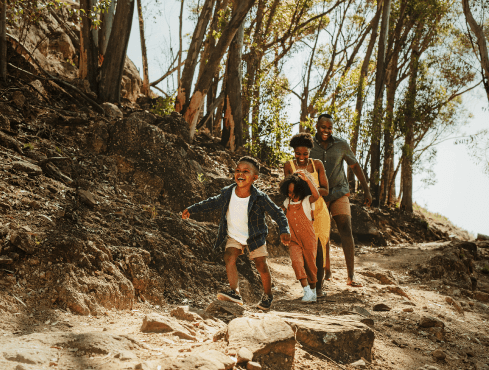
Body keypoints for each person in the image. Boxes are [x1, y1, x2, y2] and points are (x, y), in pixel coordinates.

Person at [182, 156, 291, 310]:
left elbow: (278, 213)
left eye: (246, 171)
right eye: (237, 170)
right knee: (229, 256)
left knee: (261, 265)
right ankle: (235, 292)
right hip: (235, 235)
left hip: (255, 236)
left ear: (254, 178)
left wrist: (284, 229)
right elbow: (211, 203)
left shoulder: (260, 198)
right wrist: (192, 209)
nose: (240, 173)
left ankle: (267, 295)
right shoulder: (228, 193)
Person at [309, 113, 372, 288]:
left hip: (339, 191)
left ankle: (351, 276)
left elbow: (355, 166)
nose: (326, 130)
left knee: (345, 227)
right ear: (317, 126)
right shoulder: (309, 145)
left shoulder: (341, 144)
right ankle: (326, 270)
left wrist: (366, 190)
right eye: (323, 127)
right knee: (323, 233)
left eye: (329, 128)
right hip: (319, 193)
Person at [283, 133, 330, 297]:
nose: (301, 157)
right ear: (293, 152)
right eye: (298, 153)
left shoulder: (317, 165)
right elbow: (287, 189)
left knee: (319, 248)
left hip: (319, 210)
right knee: (305, 251)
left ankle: (318, 288)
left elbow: (325, 189)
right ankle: (309, 287)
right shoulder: (289, 166)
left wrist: (308, 186)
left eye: (305, 154)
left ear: (310, 152)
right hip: (301, 211)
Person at [280, 172, 320, 302]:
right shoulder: (287, 202)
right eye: (289, 192)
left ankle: (313, 291)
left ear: (301, 190)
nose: (291, 195)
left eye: (294, 192)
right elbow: (282, 218)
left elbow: (316, 195)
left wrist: (308, 180)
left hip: (308, 239)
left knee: (310, 266)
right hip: (293, 239)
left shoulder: (307, 201)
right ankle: (306, 290)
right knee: (296, 262)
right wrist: (283, 233)